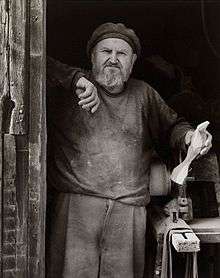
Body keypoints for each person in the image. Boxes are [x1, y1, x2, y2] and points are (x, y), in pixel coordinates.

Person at [46, 23, 212, 278]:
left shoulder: (144, 94)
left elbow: (173, 127)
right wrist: (74, 78)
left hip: (128, 214)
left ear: (132, 61)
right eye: (105, 51)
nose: (113, 59)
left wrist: (191, 136)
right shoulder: (72, 89)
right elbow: (30, 60)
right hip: (76, 210)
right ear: (92, 56)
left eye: (121, 54)